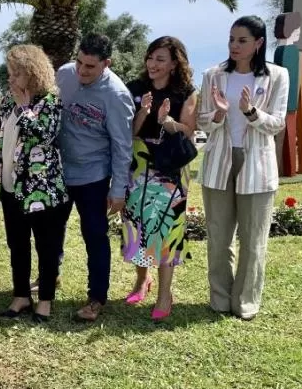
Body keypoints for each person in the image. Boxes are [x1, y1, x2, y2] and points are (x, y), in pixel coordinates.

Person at [197, 16, 289, 320]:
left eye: (242, 41)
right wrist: (220, 115)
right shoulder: (213, 75)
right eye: (231, 39)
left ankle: (245, 302)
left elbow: (277, 124)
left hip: (258, 166)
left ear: (259, 43)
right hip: (218, 163)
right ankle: (220, 299)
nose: (234, 46)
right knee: (219, 237)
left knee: (253, 239)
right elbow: (202, 122)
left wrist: (251, 112)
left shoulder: (277, 76)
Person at [0, 45, 66, 322]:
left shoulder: (51, 102)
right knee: (17, 246)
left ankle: (45, 301)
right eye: (10, 73)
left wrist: (25, 108)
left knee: (46, 248)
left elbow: (43, 136)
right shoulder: (8, 101)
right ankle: (21, 296)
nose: (10, 78)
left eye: (16, 73)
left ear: (32, 73)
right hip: (12, 190)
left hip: (43, 192)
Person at [54, 33, 134, 321]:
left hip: (93, 177)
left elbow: (122, 145)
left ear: (106, 64)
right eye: (79, 63)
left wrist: (118, 189)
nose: (82, 71)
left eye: (90, 67)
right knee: (52, 231)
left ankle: (96, 298)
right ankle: (50, 279)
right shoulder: (64, 75)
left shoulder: (116, 95)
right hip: (60, 172)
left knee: (95, 237)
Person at [121, 36, 198, 320]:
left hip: (172, 167)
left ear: (175, 63)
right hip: (140, 165)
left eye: (160, 59)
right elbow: (129, 131)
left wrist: (167, 121)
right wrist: (144, 112)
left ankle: (165, 294)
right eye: (150, 57)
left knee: (168, 228)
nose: (152, 64)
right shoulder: (136, 89)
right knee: (138, 225)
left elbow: (188, 131)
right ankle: (142, 280)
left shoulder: (187, 91)